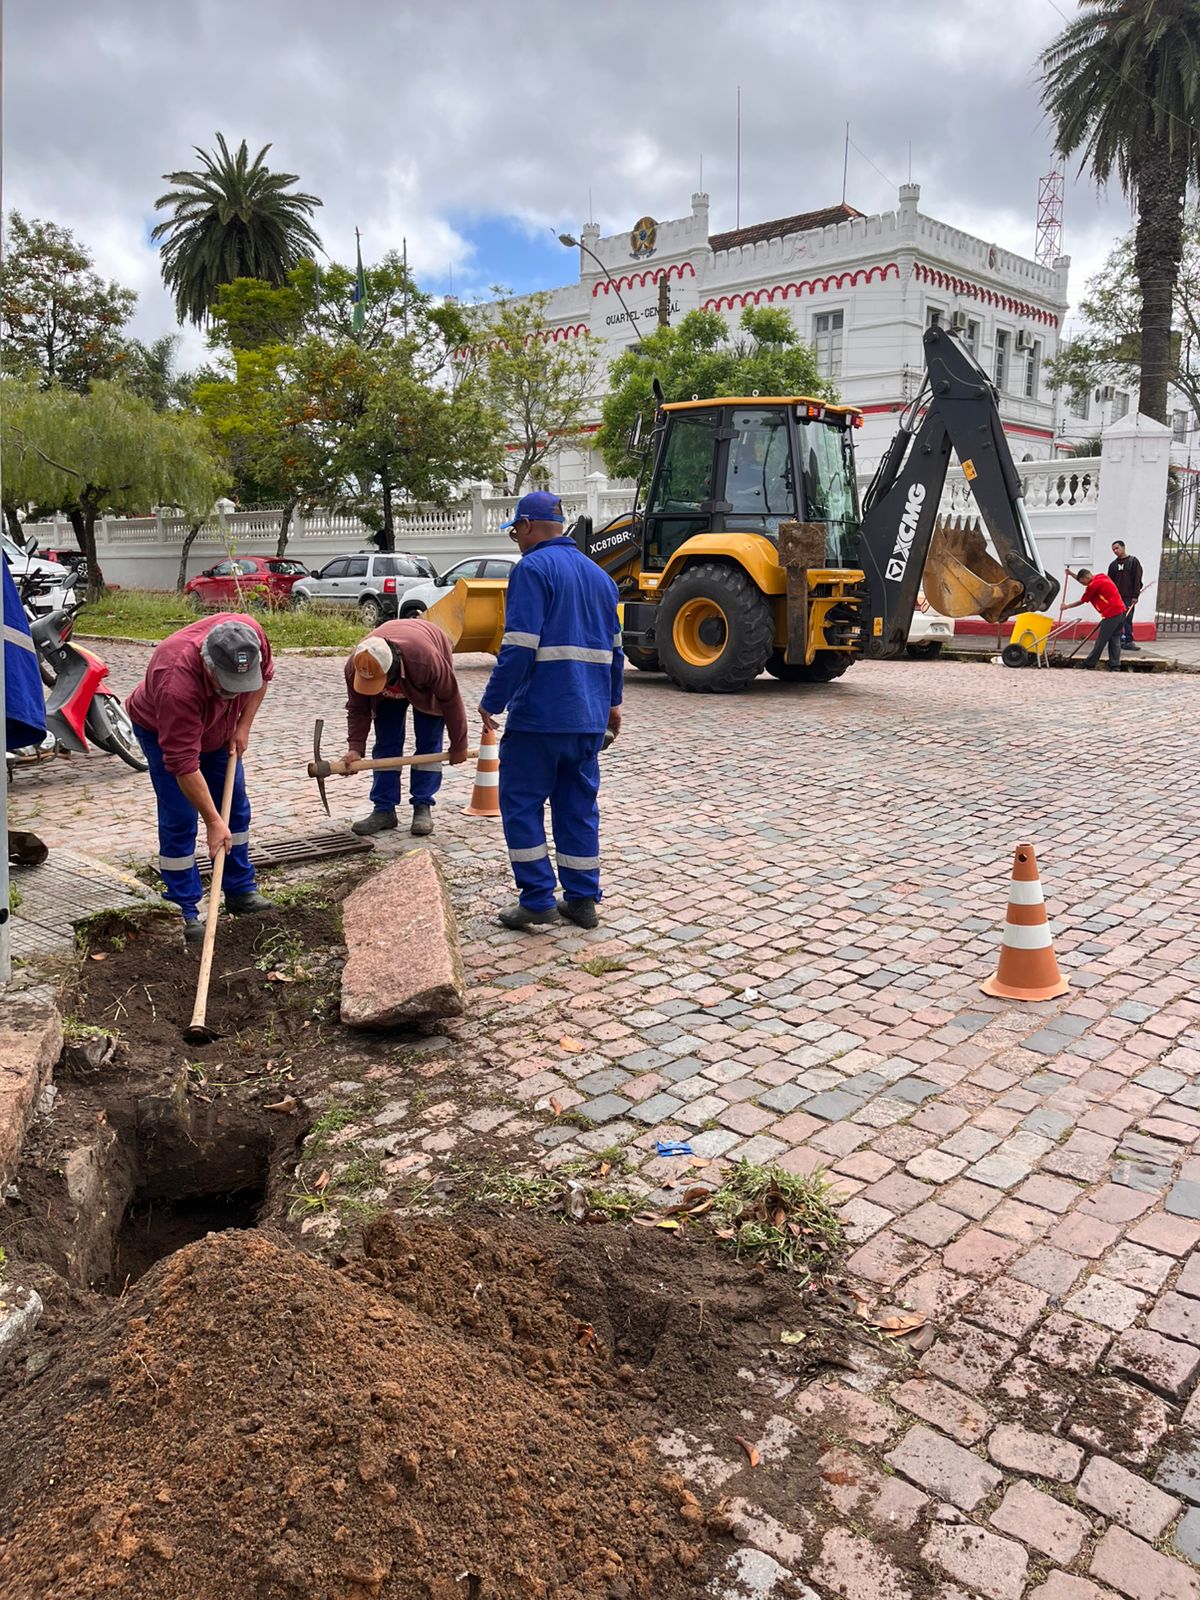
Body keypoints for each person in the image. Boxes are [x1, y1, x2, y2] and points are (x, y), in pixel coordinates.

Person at [479, 489, 622, 932]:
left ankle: (538, 898)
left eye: (515, 532)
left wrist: (492, 700)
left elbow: (520, 645)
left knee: (521, 804)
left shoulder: (532, 568)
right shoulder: (602, 578)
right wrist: (613, 704)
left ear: (525, 526)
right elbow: (616, 650)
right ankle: (582, 900)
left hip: (540, 716)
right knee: (577, 807)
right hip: (588, 718)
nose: (515, 541)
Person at [126, 614, 275, 944]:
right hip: (161, 728)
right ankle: (185, 907)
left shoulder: (251, 638)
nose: (231, 692)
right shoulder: (175, 683)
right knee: (180, 815)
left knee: (234, 808)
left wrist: (243, 725)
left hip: (221, 732)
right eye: (225, 686)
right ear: (208, 666)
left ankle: (240, 890)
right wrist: (211, 821)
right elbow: (183, 765)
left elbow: (263, 678)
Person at [343, 617, 470, 837]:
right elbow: (358, 709)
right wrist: (355, 748)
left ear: (392, 671)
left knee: (429, 740)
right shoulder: (358, 666)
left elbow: (451, 700)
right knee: (386, 743)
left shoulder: (427, 661)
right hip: (396, 679)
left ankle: (422, 805)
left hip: (423, 670)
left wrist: (459, 745)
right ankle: (384, 810)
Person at [1062, 567, 1127, 670]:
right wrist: (1071, 574)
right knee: (1115, 638)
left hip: (1111, 613)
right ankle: (1115, 665)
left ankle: (1089, 663)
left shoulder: (1092, 586)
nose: (1083, 584)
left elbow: (1083, 600)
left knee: (1101, 641)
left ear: (1087, 577)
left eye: (1083, 581)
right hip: (1121, 611)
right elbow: (1084, 581)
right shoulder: (1101, 576)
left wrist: (1066, 606)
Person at [1107, 541, 1144, 651]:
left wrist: (1135, 595)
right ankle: (1119, 640)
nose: (1115, 551)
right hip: (1116, 597)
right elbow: (1109, 582)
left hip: (1129, 596)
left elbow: (1137, 578)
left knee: (1127, 618)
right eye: (1113, 549)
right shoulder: (1113, 565)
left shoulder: (1133, 561)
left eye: (1117, 548)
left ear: (1123, 547)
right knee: (1118, 619)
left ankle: (1129, 640)